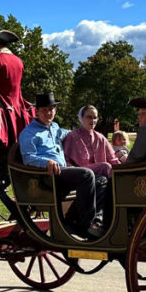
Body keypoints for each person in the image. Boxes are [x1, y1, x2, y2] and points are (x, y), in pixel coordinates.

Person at [18, 92, 105, 238]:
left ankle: (98, 221)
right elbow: (28, 158)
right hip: (46, 177)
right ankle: (86, 225)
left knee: (101, 179)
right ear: (37, 111)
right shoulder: (28, 133)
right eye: (44, 110)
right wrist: (47, 162)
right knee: (86, 174)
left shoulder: (55, 128)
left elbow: (69, 133)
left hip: (63, 173)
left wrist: (84, 131)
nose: (48, 113)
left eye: (51, 109)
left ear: (55, 111)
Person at [63, 105, 120, 178]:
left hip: (102, 175)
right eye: (89, 117)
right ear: (81, 118)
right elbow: (66, 159)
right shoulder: (72, 136)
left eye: (95, 118)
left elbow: (113, 159)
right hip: (81, 175)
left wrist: (123, 167)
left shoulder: (101, 138)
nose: (93, 121)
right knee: (105, 166)